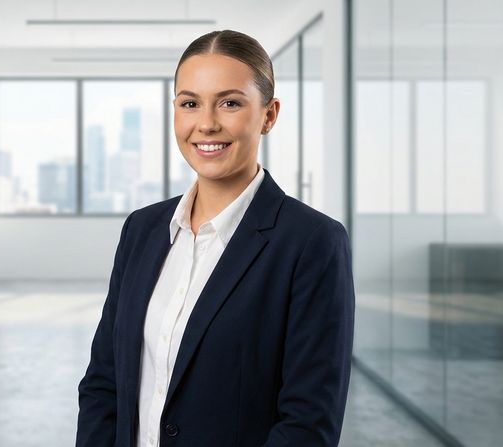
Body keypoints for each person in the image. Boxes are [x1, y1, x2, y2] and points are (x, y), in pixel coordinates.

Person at [76, 30, 355, 447]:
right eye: (190, 103)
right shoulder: (142, 229)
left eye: (230, 103)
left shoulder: (312, 243)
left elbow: (307, 424)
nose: (206, 123)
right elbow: (104, 382)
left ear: (269, 115)